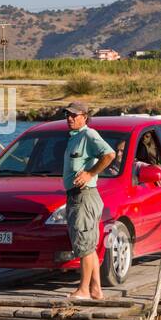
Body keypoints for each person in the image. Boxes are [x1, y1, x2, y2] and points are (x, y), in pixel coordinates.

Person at [60, 101, 115, 300]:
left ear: (85, 116)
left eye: (74, 115)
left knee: (84, 245)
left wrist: (90, 173)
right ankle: (96, 289)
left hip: (84, 196)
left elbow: (109, 154)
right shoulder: (74, 138)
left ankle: (83, 289)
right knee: (88, 246)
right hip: (78, 197)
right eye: (67, 115)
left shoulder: (88, 135)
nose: (70, 118)